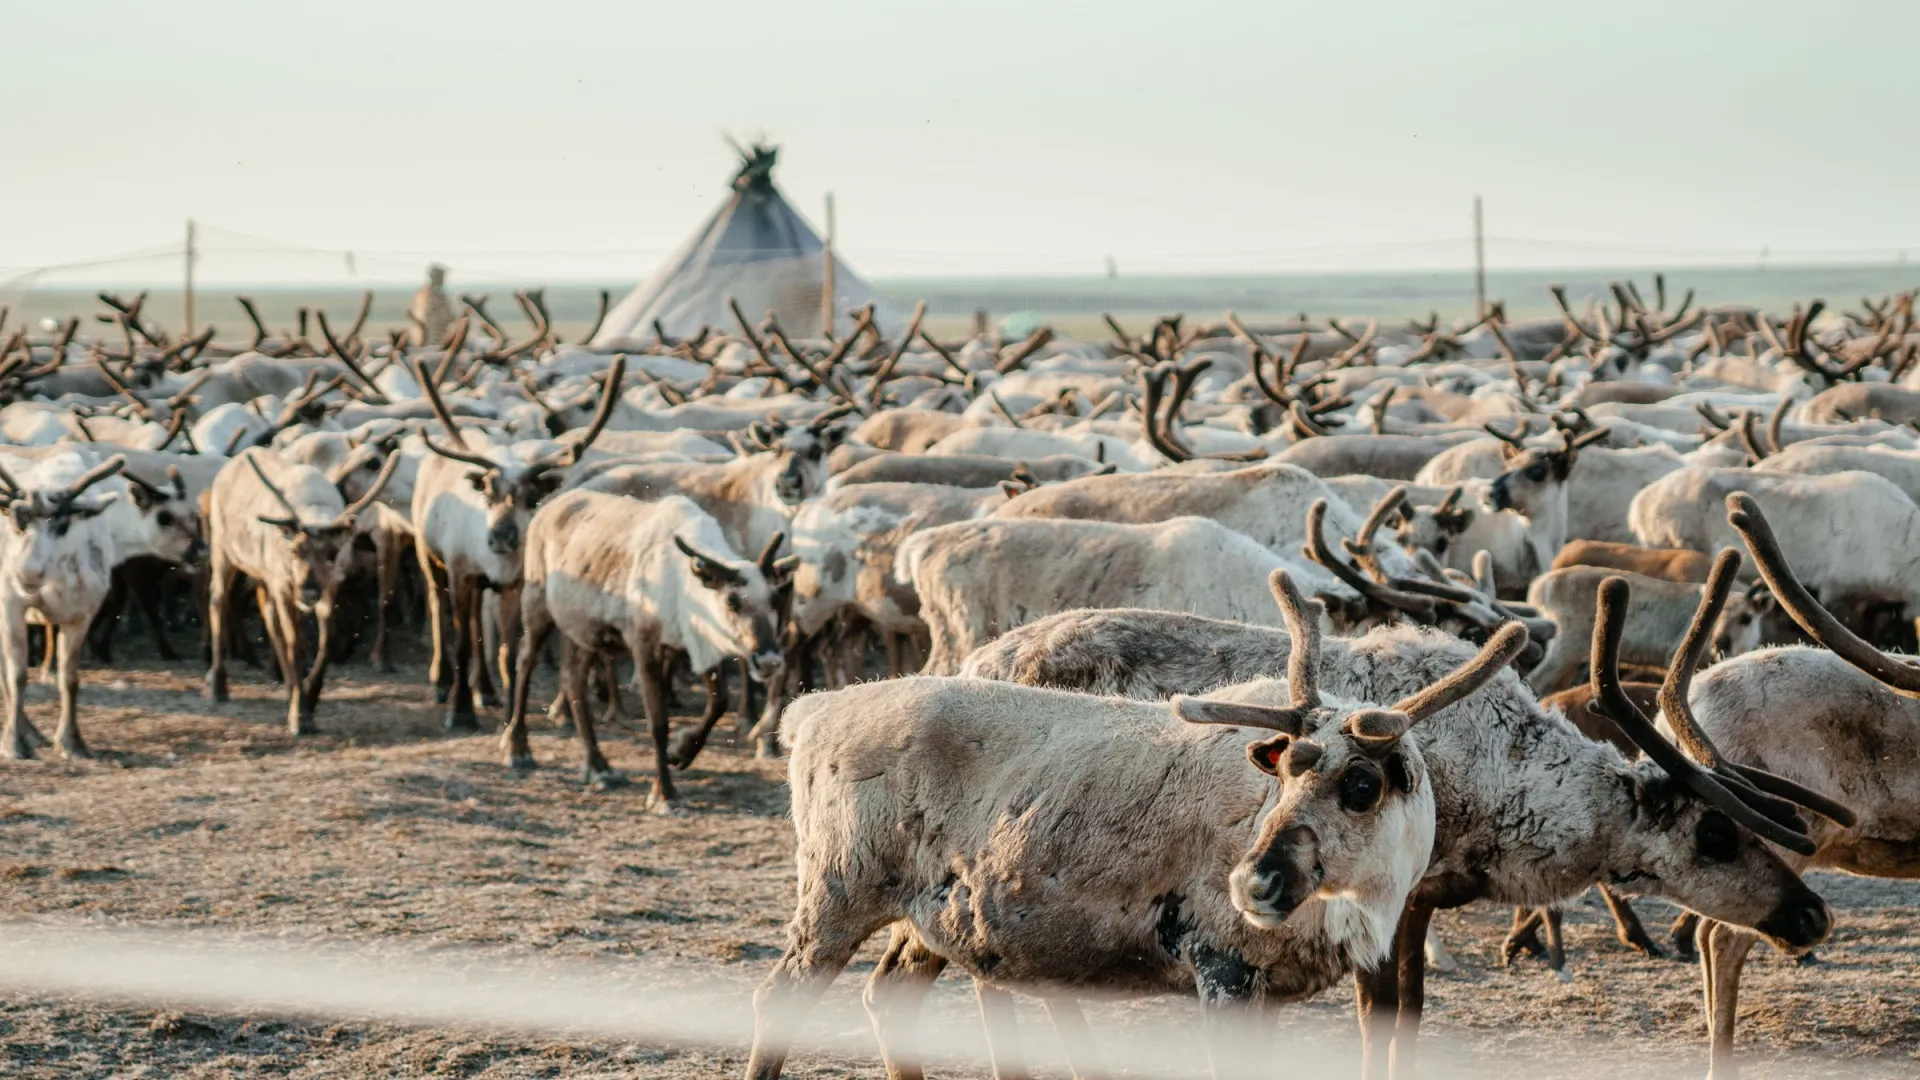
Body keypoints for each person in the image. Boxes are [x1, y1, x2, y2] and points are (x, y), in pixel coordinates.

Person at [406, 263, 455, 346]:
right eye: (442, 275)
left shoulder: (423, 293)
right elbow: (448, 316)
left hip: (428, 339)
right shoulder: (436, 296)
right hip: (434, 339)